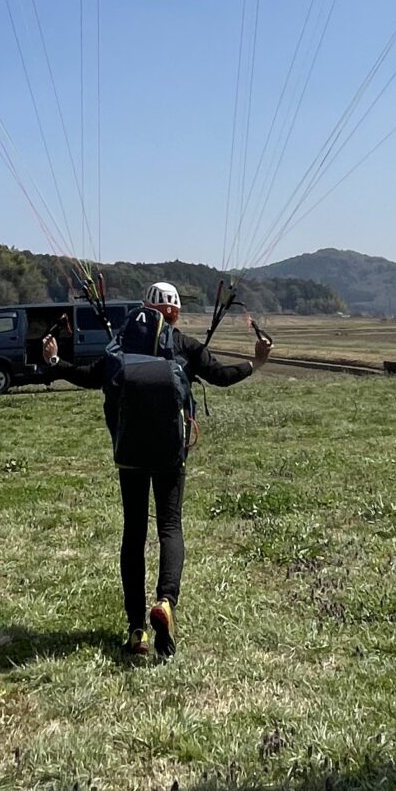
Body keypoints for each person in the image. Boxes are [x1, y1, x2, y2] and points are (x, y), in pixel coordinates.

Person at [40, 281, 271, 659]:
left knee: (134, 534)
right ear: (175, 313)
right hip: (169, 453)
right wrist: (256, 363)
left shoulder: (121, 344)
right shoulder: (184, 345)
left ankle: (137, 630)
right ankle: (165, 601)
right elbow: (221, 376)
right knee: (169, 526)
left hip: (130, 453)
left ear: (143, 307)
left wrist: (53, 361)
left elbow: (88, 376)